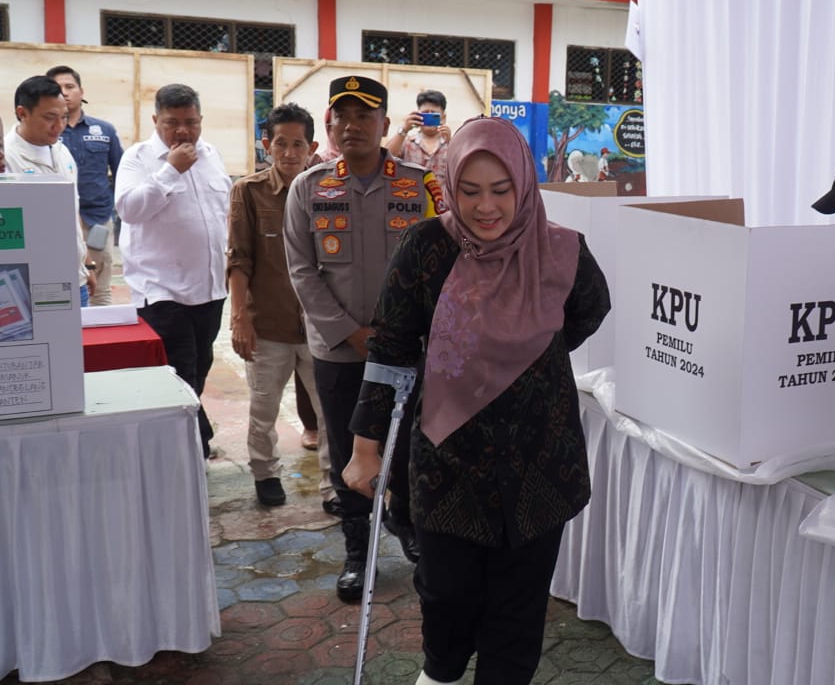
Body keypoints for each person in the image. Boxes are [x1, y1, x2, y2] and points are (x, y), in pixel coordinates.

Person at [344, 116, 611, 685]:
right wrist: (366, 449)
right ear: (450, 187)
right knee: (447, 593)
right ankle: (440, 671)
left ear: (524, 184)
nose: (485, 207)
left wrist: (522, 353)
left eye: (500, 190)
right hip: (448, 459)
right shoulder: (426, 250)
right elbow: (390, 348)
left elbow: (589, 311)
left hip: (541, 457)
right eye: (469, 191)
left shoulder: (563, 251)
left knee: (520, 603)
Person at [284, 75, 436, 602]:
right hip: (337, 350)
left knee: (411, 444)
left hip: (408, 349)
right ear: (329, 125)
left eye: (364, 116)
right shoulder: (309, 187)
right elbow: (302, 272)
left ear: (385, 125)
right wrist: (349, 332)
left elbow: (441, 268)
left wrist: (404, 335)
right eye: (341, 117)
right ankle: (358, 549)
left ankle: (408, 525)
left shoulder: (421, 187)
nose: (352, 126)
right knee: (347, 449)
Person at [227, 102, 335, 509]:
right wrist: (240, 319)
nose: (290, 153)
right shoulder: (248, 192)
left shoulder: (328, 191)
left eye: (298, 144)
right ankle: (265, 473)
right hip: (267, 325)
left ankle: (332, 483)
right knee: (263, 409)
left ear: (312, 147)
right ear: (266, 144)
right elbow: (239, 259)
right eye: (281, 144)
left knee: (329, 414)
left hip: (320, 329)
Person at [116, 83, 229, 459]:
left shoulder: (211, 155)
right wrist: (170, 171)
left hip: (210, 288)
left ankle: (194, 433)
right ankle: (189, 449)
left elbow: (220, 213)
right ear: (156, 120)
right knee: (181, 370)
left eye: (191, 122)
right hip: (163, 290)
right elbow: (129, 210)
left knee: (200, 366)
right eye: (173, 123)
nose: (183, 131)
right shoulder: (139, 157)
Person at [5, 75, 95, 305]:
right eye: (49, 118)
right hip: (32, 285)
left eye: (63, 117)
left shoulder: (60, 150)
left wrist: (86, 262)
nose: (59, 126)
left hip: (75, 278)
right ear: (22, 113)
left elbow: (72, 211)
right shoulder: (7, 159)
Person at [47, 65, 125, 306]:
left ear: (82, 91)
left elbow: (122, 171)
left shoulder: (104, 130)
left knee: (100, 290)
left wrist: (110, 206)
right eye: (58, 89)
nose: (65, 93)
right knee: (61, 286)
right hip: (57, 222)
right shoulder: (47, 132)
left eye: (70, 86)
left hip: (97, 220)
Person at [387, 89, 451, 203]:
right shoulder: (406, 142)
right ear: (418, 115)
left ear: (443, 117)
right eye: (426, 113)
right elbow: (385, 159)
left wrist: (451, 143)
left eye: (434, 114)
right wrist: (404, 129)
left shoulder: (451, 144)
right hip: (412, 205)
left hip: (444, 209)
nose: (429, 117)